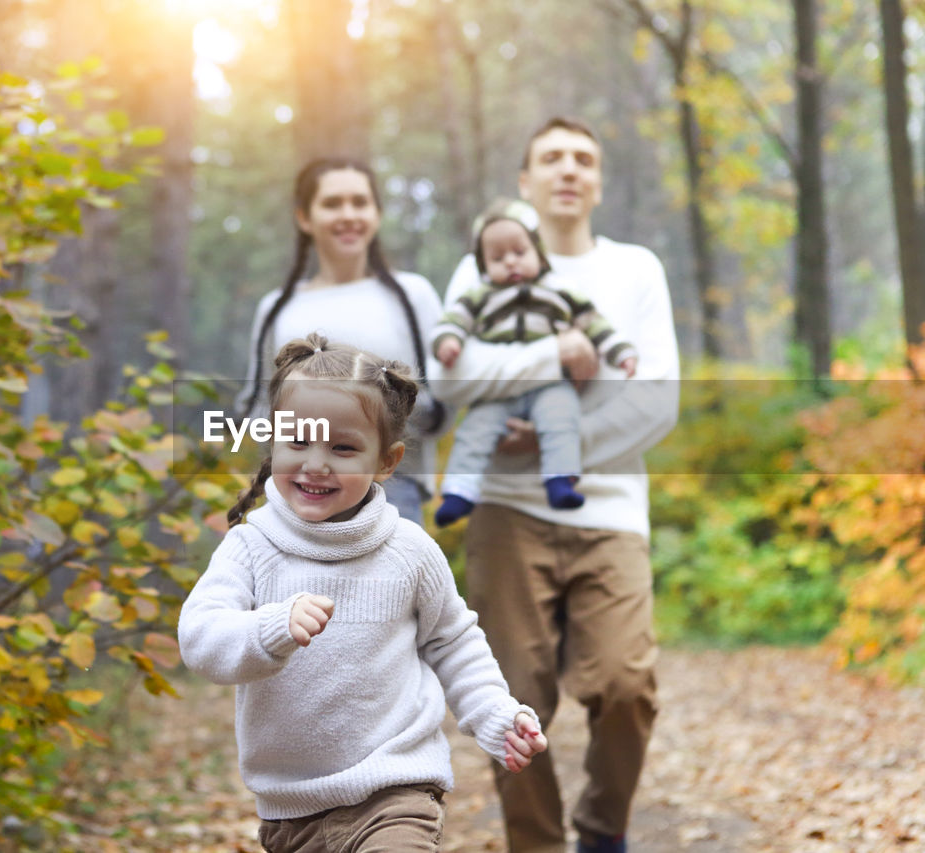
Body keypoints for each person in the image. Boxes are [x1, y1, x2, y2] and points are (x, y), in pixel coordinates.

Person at [181, 333, 549, 852]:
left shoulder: (408, 551)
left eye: (343, 448)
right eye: (298, 441)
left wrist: (491, 711)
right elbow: (200, 638)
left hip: (395, 788)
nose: (316, 463)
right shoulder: (251, 547)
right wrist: (270, 627)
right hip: (292, 810)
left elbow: (451, 641)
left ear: (387, 460)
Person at [429, 117, 681, 853]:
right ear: (525, 181)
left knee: (627, 687)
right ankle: (536, 844)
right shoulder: (488, 257)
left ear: (597, 181)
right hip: (504, 510)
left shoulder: (636, 269)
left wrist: (550, 443)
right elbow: (450, 373)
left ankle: (604, 830)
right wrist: (552, 354)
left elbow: (656, 400)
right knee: (513, 702)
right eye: (551, 158)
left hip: (609, 510)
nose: (568, 169)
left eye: (583, 159)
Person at [236, 158, 445, 524]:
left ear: (377, 214)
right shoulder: (278, 308)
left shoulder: (414, 296)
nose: (348, 214)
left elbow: (442, 401)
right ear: (304, 217)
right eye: (332, 204)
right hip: (301, 492)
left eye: (360, 202)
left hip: (394, 495)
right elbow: (257, 409)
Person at [431, 197, 638, 527]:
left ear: (538, 254)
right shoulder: (479, 295)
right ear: (483, 266)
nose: (510, 262)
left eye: (519, 252)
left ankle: (560, 481)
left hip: (552, 385)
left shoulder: (562, 288)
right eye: (497, 258)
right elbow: (452, 321)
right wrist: (449, 342)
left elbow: (594, 323)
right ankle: (459, 492)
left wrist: (621, 352)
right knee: (474, 431)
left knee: (561, 422)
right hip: (496, 391)